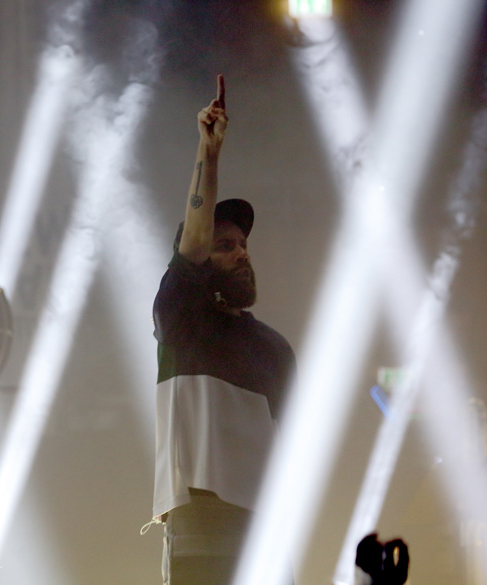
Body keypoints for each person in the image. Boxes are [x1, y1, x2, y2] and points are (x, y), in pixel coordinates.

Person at [148, 74, 297, 585]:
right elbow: (192, 242)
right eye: (225, 245)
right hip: (201, 525)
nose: (241, 253)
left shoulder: (274, 349)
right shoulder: (181, 322)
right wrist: (208, 155)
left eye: (244, 245)